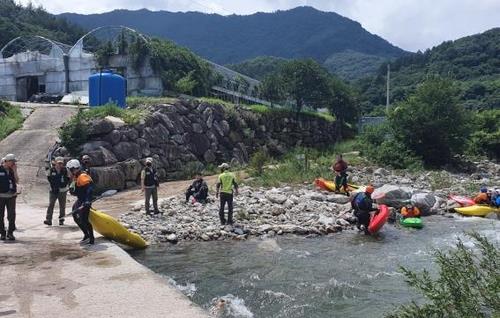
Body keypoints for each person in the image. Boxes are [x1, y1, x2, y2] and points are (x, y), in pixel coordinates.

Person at [67, 159, 95, 245]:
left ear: (73, 169)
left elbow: (89, 189)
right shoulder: (76, 176)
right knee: (75, 216)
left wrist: (87, 201)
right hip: (80, 200)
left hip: (85, 201)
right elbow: (77, 190)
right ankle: (86, 235)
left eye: (69, 169)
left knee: (84, 220)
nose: (69, 171)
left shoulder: (82, 176)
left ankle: (91, 239)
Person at [44, 157, 71, 226]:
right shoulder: (51, 170)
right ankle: (48, 219)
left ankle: (61, 219)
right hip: (53, 191)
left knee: (62, 206)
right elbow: (48, 177)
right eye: (58, 163)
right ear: (55, 163)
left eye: (61, 163)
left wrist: (66, 185)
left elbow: (69, 178)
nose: (60, 165)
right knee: (51, 205)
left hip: (63, 191)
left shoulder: (65, 170)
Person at [0, 154, 19, 241]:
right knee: (0, 215)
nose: (13, 163)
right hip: (1, 196)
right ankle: (2, 233)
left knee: (12, 215)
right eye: (12, 161)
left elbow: (17, 180)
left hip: (11, 196)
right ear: (7, 161)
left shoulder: (12, 170)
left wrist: (15, 171)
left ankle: (10, 233)